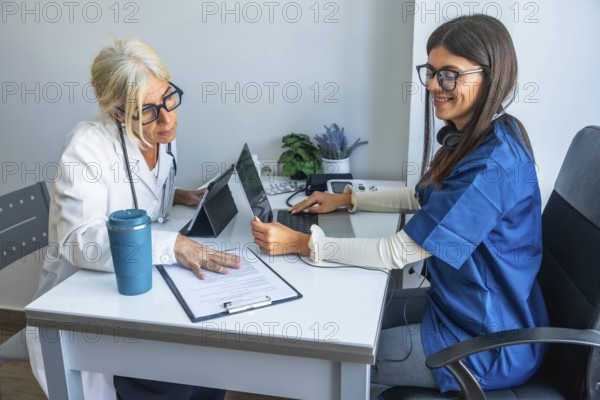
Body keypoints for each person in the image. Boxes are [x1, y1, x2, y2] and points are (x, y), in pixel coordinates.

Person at [251, 14, 549, 395]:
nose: (432, 85)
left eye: (449, 74)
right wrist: (348, 199)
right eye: (431, 71)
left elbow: (396, 252)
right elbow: (423, 195)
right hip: (458, 310)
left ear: (489, 77)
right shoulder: (484, 134)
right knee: (346, 315)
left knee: (331, 355)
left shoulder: (493, 167)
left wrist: (299, 244)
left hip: (487, 342)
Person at [26, 37, 239, 400]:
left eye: (169, 98)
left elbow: (138, 193)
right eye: (149, 110)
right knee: (180, 372)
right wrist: (173, 245)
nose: (168, 119)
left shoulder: (161, 135)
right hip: (85, 303)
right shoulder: (86, 147)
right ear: (118, 113)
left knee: (211, 352)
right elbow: (82, 242)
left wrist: (177, 194)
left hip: (144, 289)